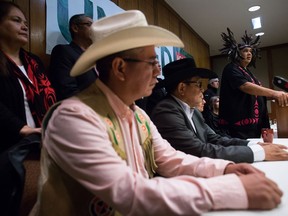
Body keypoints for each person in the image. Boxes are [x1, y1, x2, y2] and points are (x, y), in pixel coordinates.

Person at [32, 10, 283, 216]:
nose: (157, 72)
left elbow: (171, 159)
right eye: (151, 62)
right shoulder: (74, 117)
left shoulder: (139, 115)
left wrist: (226, 169)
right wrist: (233, 190)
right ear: (120, 68)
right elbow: (129, 193)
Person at [151, 58, 288, 163]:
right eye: (198, 84)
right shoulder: (166, 111)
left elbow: (215, 139)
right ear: (181, 88)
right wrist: (258, 153)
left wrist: (253, 144)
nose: (202, 90)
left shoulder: (194, 112)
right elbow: (199, 150)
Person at [0, 2, 56, 215]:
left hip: (41, 143)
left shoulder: (33, 61)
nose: (24, 26)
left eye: (25, 22)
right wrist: (22, 129)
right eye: (16, 20)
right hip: (10, 146)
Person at [218, 28, 288, 139]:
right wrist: (274, 93)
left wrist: (274, 96)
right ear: (237, 52)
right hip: (238, 127)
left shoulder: (247, 72)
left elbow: (256, 93)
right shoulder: (231, 68)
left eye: (250, 51)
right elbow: (245, 86)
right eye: (245, 51)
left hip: (253, 125)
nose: (249, 54)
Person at [48, 14, 98, 101]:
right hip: (79, 110)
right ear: (75, 28)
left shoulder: (95, 56)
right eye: (89, 24)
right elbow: (67, 91)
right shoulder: (63, 51)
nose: (94, 29)